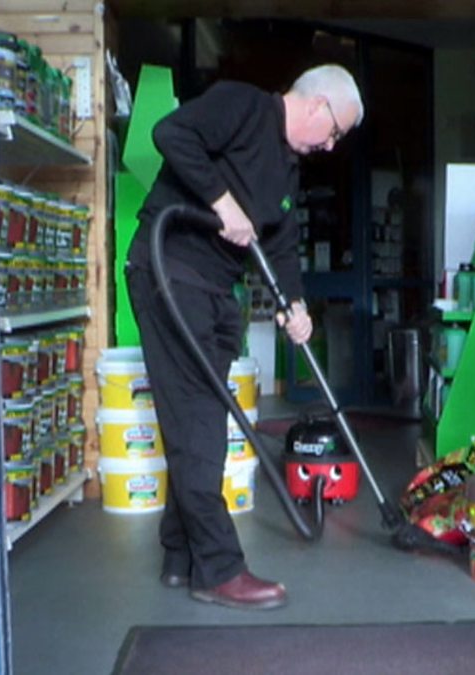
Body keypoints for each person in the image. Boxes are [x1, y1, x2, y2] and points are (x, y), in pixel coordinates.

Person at [124, 64, 363, 610]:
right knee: (198, 422)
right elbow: (171, 133)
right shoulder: (244, 105)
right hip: (168, 270)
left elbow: (280, 245)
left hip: (212, 288)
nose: (330, 146)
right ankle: (219, 570)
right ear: (316, 104)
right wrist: (221, 201)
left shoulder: (287, 167)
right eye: (334, 132)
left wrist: (294, 305)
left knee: (200, 418)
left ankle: (180, 555)